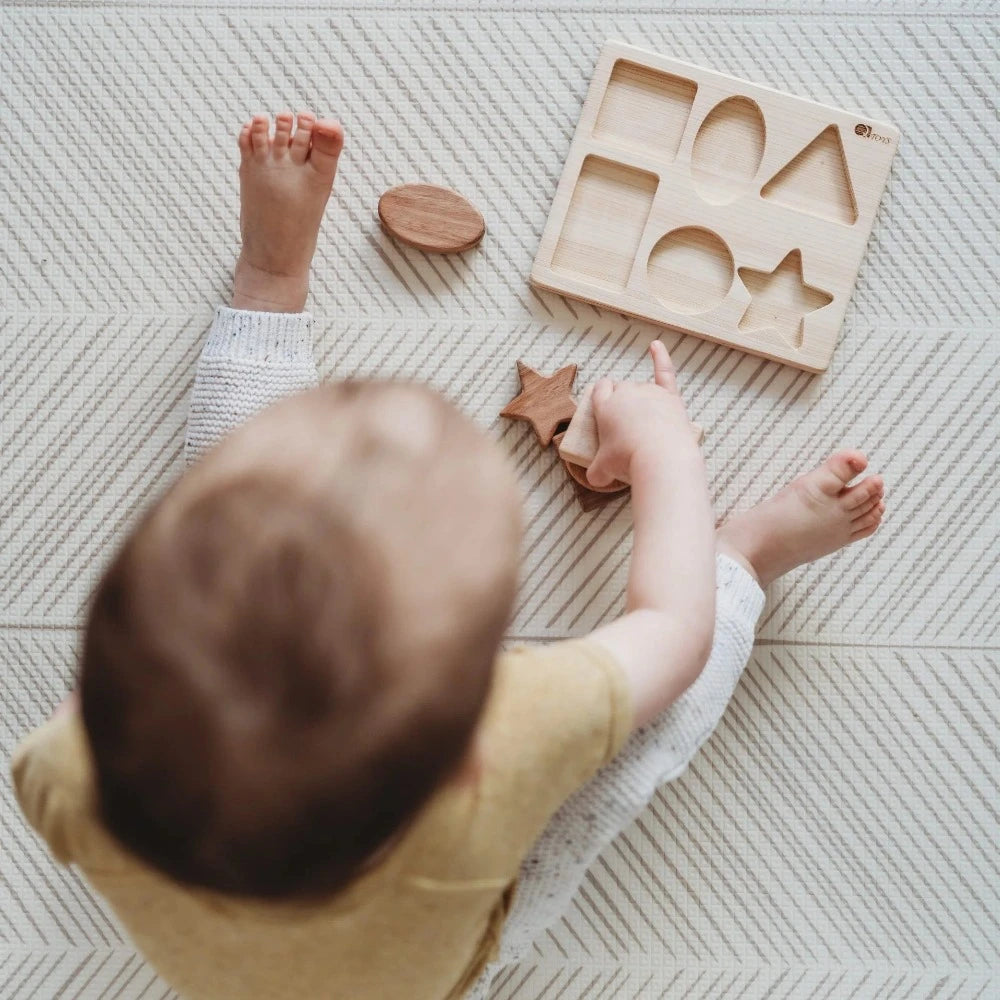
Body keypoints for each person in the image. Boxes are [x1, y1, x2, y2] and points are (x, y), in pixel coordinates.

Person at [12, 113, 885, 1000]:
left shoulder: (67, 771)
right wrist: (667, 453)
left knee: (238, 527)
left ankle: (271, 280)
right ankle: (748, 557)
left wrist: (131, 689)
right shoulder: (510, 735)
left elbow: (96, 708)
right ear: (474, 675)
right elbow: (673, 626)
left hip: (236, 942)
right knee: (630, 752)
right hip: (451, 928)